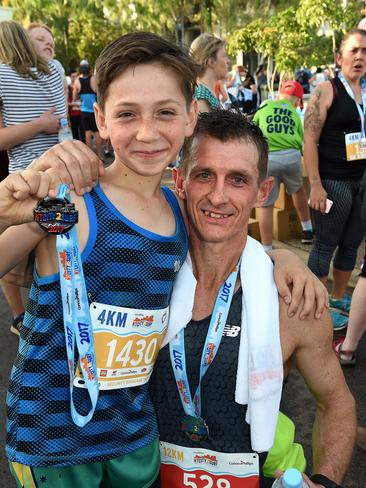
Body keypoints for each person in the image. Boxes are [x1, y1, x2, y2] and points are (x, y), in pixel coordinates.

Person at [0, 33, 329, 487]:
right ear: (100, 117)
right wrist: (8, 201)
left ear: (192, 116)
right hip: (54, 444)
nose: (148, 132)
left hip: (135, 438)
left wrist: (280, 259)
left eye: (166, 113)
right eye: (127, 114)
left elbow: (229, 241)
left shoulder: (179, 212)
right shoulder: (71, 201)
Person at [150, 110, 356, 488]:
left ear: (263, 191)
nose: (218, 195)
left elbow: (336, 402)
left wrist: (325, 482)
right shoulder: (142, 277)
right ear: (180, 181)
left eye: (238, 180)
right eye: (204, 175)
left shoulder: (291, 301)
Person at [0, 20, 66, 336]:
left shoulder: (44, 72)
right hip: (45, 179)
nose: (48, 45)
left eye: (50, 40)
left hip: (30, 182)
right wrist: (42, 124)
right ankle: (37, 318)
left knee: (26, 253)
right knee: (50, 249)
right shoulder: (48, 71)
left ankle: (27, 318)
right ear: (25, 42)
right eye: (40, 38)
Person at [304, 28, 366, 330]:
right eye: (354, 50)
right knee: (325, 244)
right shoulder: (327, 90)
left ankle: (339, 298)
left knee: (352, 244)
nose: (360, 56)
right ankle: (318, 304)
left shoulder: (365, 91)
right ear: (339, 57)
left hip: (362, 182)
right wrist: (314, 184)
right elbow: (309, 139)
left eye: (364, 51)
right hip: (332, 182)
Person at [253, 80, 313, 250]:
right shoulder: (294, 113)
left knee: (266, 204)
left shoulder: (265, 107)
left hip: (269, 158)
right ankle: (307, 230)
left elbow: (254, 130)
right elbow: (301, 140)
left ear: (279, 94)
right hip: (292, 158)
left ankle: (266, 248)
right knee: (298, 190)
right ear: (297, 100)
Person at [190, 33, 229, 112]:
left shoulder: (205, 92)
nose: (228, 61)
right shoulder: (201, 97)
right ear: (211, 62)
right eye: (224, 56)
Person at [73, 59, 103, 158]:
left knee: (87, 132)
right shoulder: (93, 79)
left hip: (84, 111)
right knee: (97, 132)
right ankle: (99, 156)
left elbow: (74, 97)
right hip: (94, 110)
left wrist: (81, 96)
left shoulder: (77, 81)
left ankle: (90, 157)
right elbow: (99, 94)